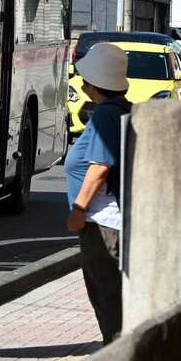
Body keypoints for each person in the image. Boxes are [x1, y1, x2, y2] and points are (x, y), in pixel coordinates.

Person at [63, 43, 130, 344]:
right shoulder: (120, 110)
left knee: (108, 301)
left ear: (94, 83)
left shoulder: (105, 116)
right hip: (112, 222)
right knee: (113, 300)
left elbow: (100, 166)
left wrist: (78, 211)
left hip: (102, 223)